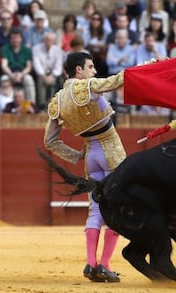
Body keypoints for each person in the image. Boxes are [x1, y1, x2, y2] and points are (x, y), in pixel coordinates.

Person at [44, 52, 126, 283]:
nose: (94, 71)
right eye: (90, 67)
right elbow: (116, 80)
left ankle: (91, 264)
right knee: (117, 207)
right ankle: (106, 264)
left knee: (95, 209)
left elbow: (49, 141)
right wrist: (146, 69)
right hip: (111, 150)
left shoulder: (57, 101)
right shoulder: (87, 86)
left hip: (91, 155)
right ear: (78, 70)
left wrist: (76, 156)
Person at [0, 27, 35, 103]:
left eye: (17, 38)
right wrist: (11, 75)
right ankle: (6, 106)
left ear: (21, 39)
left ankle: (31, 104)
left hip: (23, 72)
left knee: (28, 79)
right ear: (10, 39)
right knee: (3, 79)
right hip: (9, 72)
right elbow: (4, 65)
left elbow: (29, 66)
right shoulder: (4, 49)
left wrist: (21, 75)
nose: (15, 40)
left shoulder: (26, 50)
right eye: (13, 38)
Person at [32, 31, 63, 109]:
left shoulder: (57, 50)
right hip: (42, 74)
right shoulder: (36, 48)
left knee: (55, 80)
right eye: (47, 39)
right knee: (40, 80)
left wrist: (53, 75)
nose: (49, 42)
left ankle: (53, 104)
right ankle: (42, 105)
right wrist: (44, 76)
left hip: (53, 74)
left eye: (51, 40)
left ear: (53, 41)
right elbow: (37, 64)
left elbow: (58, 65)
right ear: (44, 40)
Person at [83, 11, 108, 78]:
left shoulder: (105, 32)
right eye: (93, 19)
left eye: (98, 19)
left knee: (102, 62)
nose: (95, 21)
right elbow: (84, 44)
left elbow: (107, 45)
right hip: (90, 55)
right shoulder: (87, 32)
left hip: (101, 56)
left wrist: (101, 47)